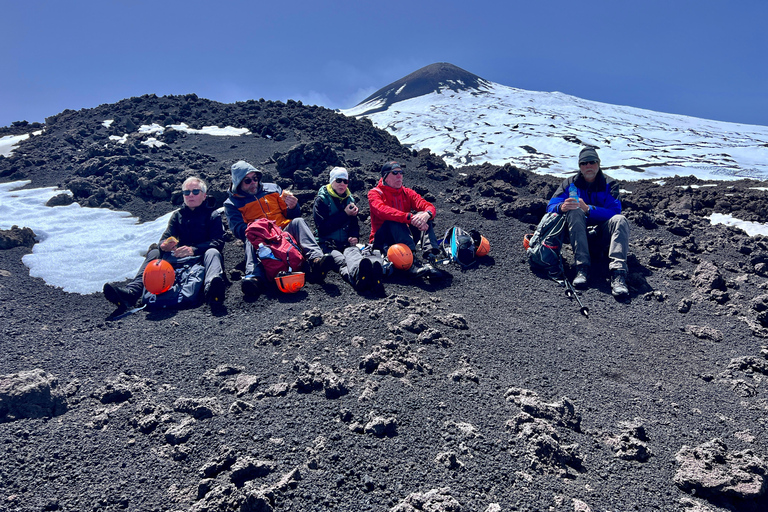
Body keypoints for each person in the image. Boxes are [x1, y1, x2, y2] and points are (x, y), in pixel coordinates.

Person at [103, 176, 226, 309]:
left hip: (201, 256)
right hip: (178, 257)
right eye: (186, 192)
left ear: (204, 195)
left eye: (195, 192)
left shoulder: (212, 215)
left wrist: (193, 249)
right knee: (155, 251)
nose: (190, 195)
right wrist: (164, 245)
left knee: (213, 252)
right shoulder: (178, 215)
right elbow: (166, 237)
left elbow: (218, 241)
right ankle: (132, 292)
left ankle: (211, 291)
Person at [224, 160, 333, 296]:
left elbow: (291, 214)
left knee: (298, 222)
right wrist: (260, 228)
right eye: (247, 180)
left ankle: (316, 261)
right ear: (238, 183)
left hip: (283, 232)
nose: (253, 182)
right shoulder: (232, 203)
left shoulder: (273, 189)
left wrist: (293, 207)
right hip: (260, 238)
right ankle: (254, 278)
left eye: (255, 178)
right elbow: (238, 229)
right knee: (248, 237)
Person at [546, 147, 630, 297]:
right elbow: (551, 206)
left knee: (620, 220)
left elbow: (615, 212)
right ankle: (582, 268)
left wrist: (589, 209)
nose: (588, 166)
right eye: (584, 163)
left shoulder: (610, 184)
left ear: (598, 163)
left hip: (602, 234)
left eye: (592, 162)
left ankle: (618, 274)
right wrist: (562, 207)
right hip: (575, 234)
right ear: (580, 166)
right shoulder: (569, 183)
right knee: (574, 210)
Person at [368, 161, 443, 279]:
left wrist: (427, 214)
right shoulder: (375, 193)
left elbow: (428, 206)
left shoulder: (406, 192)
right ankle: (412, 261)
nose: (399, 176)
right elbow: (383, 211)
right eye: (395, 173)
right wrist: (409, 218)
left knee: (423, 216)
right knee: (394, 218)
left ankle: (430, 255)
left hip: (403, 236)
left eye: (401, 172)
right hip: (382, 241)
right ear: (385, 177)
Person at [313, 167, 384, 290]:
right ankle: (358, 277)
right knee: (341, 261)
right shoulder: (322, 200)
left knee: (354, 255)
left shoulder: (349, 199)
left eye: (345, 181)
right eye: (339, 180)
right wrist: (344, 214)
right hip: (327, 244)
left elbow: (354, 224)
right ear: (331, 181)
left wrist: (354, 235)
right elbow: (322, 228)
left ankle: (364, 276)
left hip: (345, 244)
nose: (342, 184)